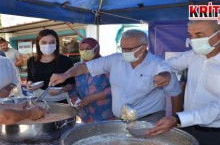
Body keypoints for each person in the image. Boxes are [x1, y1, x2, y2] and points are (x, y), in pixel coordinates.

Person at [148, 20, 220, 145]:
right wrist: (164, 73)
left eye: (199, 35)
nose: (194, 40)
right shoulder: (194, 54)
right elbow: (166, 64)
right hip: (190, 131)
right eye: (191, 35)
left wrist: (178, 118)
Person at [50, 29, 181, 123]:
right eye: (122, 48)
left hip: (149, 120)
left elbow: (175, 94)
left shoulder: (159, 65)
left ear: (144, 47)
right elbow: (84, 67)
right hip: (120, 120)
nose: (124, 52)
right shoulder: (115, 60)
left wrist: (175, 120)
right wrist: (65, 75)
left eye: (129, 49)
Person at [69, 38, 115, 123]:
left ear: (96, 49)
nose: (84, 51)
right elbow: (72, 86)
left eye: (88, 48)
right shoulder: (77, 67)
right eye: (82, 49)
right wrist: (74, 97)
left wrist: (93, 97)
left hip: (104, 114)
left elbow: (114, 88)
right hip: (84, 115)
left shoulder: (105, 66)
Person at [26, 29, 75, 104]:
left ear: (56, 44)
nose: (48, 45)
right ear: (38, 44)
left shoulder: (66, 60)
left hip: (61, 102)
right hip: (38, 101)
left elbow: (71, 84)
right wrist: (30, 85)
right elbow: (30, 78)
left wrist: (61, 89)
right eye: (44, 42)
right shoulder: (31, 61)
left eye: (52, 42)